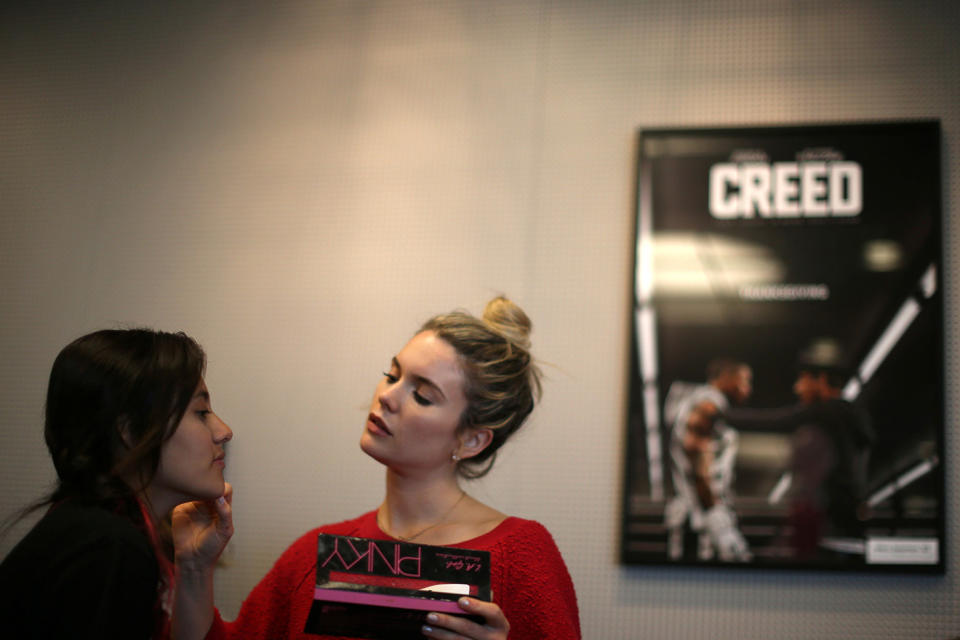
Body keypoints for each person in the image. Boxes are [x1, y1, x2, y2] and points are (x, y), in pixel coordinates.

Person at [173, 297, 581, 640]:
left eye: (422, 395)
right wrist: (193, 569)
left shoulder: (522, 556)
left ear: (470, 440)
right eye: (392, 374)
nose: (387, 396)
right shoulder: (314, 557)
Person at [0, 328, 233, 639]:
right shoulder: (109, 546)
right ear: (130, 431)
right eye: (201, 412)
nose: (223, 431)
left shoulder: (93, 528)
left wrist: (194, 567)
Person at [725, 357, 874, 560]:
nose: (797, 388)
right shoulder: (852, 416)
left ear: (820, 380)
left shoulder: (827, 410)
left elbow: (776, 420)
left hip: (827, 516)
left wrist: (720, 415)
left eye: (802, 381)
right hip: (847, 513)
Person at [662, 358, 753, 562]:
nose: (748, 388)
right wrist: (715, 515)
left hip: (698, 514)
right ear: (725, 378)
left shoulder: (702, 403)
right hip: (699, 519)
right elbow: (698, 463)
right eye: (744, 380)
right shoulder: (708, 405)